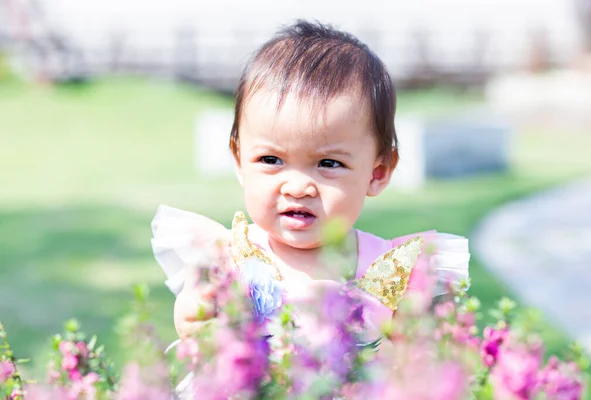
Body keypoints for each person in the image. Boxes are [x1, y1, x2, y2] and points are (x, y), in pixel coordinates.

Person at [151, 20, 470, 343]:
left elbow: (412, 362)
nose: (298, 187)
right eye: (271, 160)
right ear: (239, 160)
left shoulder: (388, 269)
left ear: (378, 172)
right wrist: (196, 320)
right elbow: (196, 322)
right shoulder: (228, 258)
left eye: (328, 164)